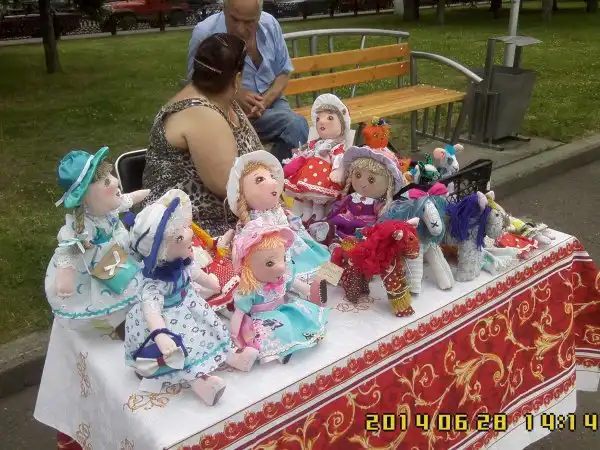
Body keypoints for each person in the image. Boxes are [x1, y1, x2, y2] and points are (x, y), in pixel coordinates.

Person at [142, 33, 263, 237]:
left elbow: (257, 154)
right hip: (192, 233)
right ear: (236, 78)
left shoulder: (224, 102)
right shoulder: (200, 113)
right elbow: (231, 188)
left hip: (231, 222)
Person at [187, 0, 309, 162]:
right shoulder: (205, 32)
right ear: (224, 10)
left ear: (259, 16)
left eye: (248, 22)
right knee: (296, 125)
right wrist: (234, 94)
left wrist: (265, 101)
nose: (240, 28)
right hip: (231, 110)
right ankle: (271, 173)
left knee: (297, 130)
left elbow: (284, 72)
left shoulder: (270, 24)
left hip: (272, 100)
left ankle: (269, 172)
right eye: (234, 19)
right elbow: (195, 85)